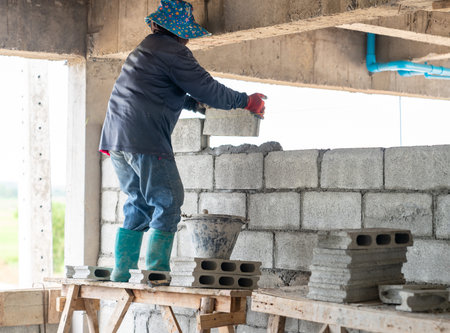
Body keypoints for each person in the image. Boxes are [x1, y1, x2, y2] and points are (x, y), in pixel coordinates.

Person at [99, 0, 266, 282]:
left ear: (155, 25)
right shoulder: (175, 52)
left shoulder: (144, 51)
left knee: (138, 202)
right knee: (169, 199)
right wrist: (245, 101)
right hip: (145, 140)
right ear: (182, 33)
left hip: (116, 139)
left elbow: (158, 90)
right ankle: (156, 271)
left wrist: (192, 105)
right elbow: (209, 89)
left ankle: (121, 271)